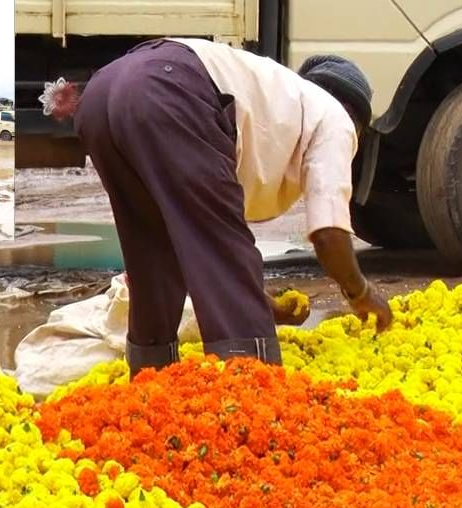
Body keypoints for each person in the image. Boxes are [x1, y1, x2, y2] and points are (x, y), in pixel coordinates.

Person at [45, 39, 393, 377]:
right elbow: (329, 232)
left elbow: (198, 231)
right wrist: (360, 292)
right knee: (190, 247)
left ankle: (151, 376)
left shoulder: (277, 101)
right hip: (165, 89)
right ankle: (249, 383)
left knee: (151, 247)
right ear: (355, 117)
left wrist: (260, 300)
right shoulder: (335, 118)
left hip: (102, 95)